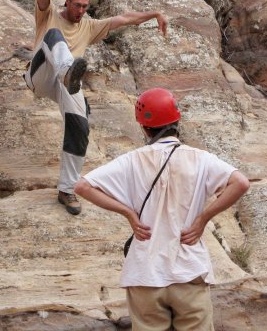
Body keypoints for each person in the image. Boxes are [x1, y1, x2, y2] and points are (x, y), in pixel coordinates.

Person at [74, 88, 250, 330]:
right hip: (188, 271)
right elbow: (240, 183)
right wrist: (203, 219)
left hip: (145, 273)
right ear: (177, 121)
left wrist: (129, 213)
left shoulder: (131, 160)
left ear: (144, 128)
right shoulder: (201, 158)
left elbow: (83, 187)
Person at [19, 0, 168, 215]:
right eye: (76, 5)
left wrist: (155, 12)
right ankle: (67, 70)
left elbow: (124, 19)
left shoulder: (89, 26)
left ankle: (67, 189)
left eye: (85, 7)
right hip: (40, 74)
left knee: (80, 125)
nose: (80, 11)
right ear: (67, 2)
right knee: (54, 35)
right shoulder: (48, 13)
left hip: (67, 83)